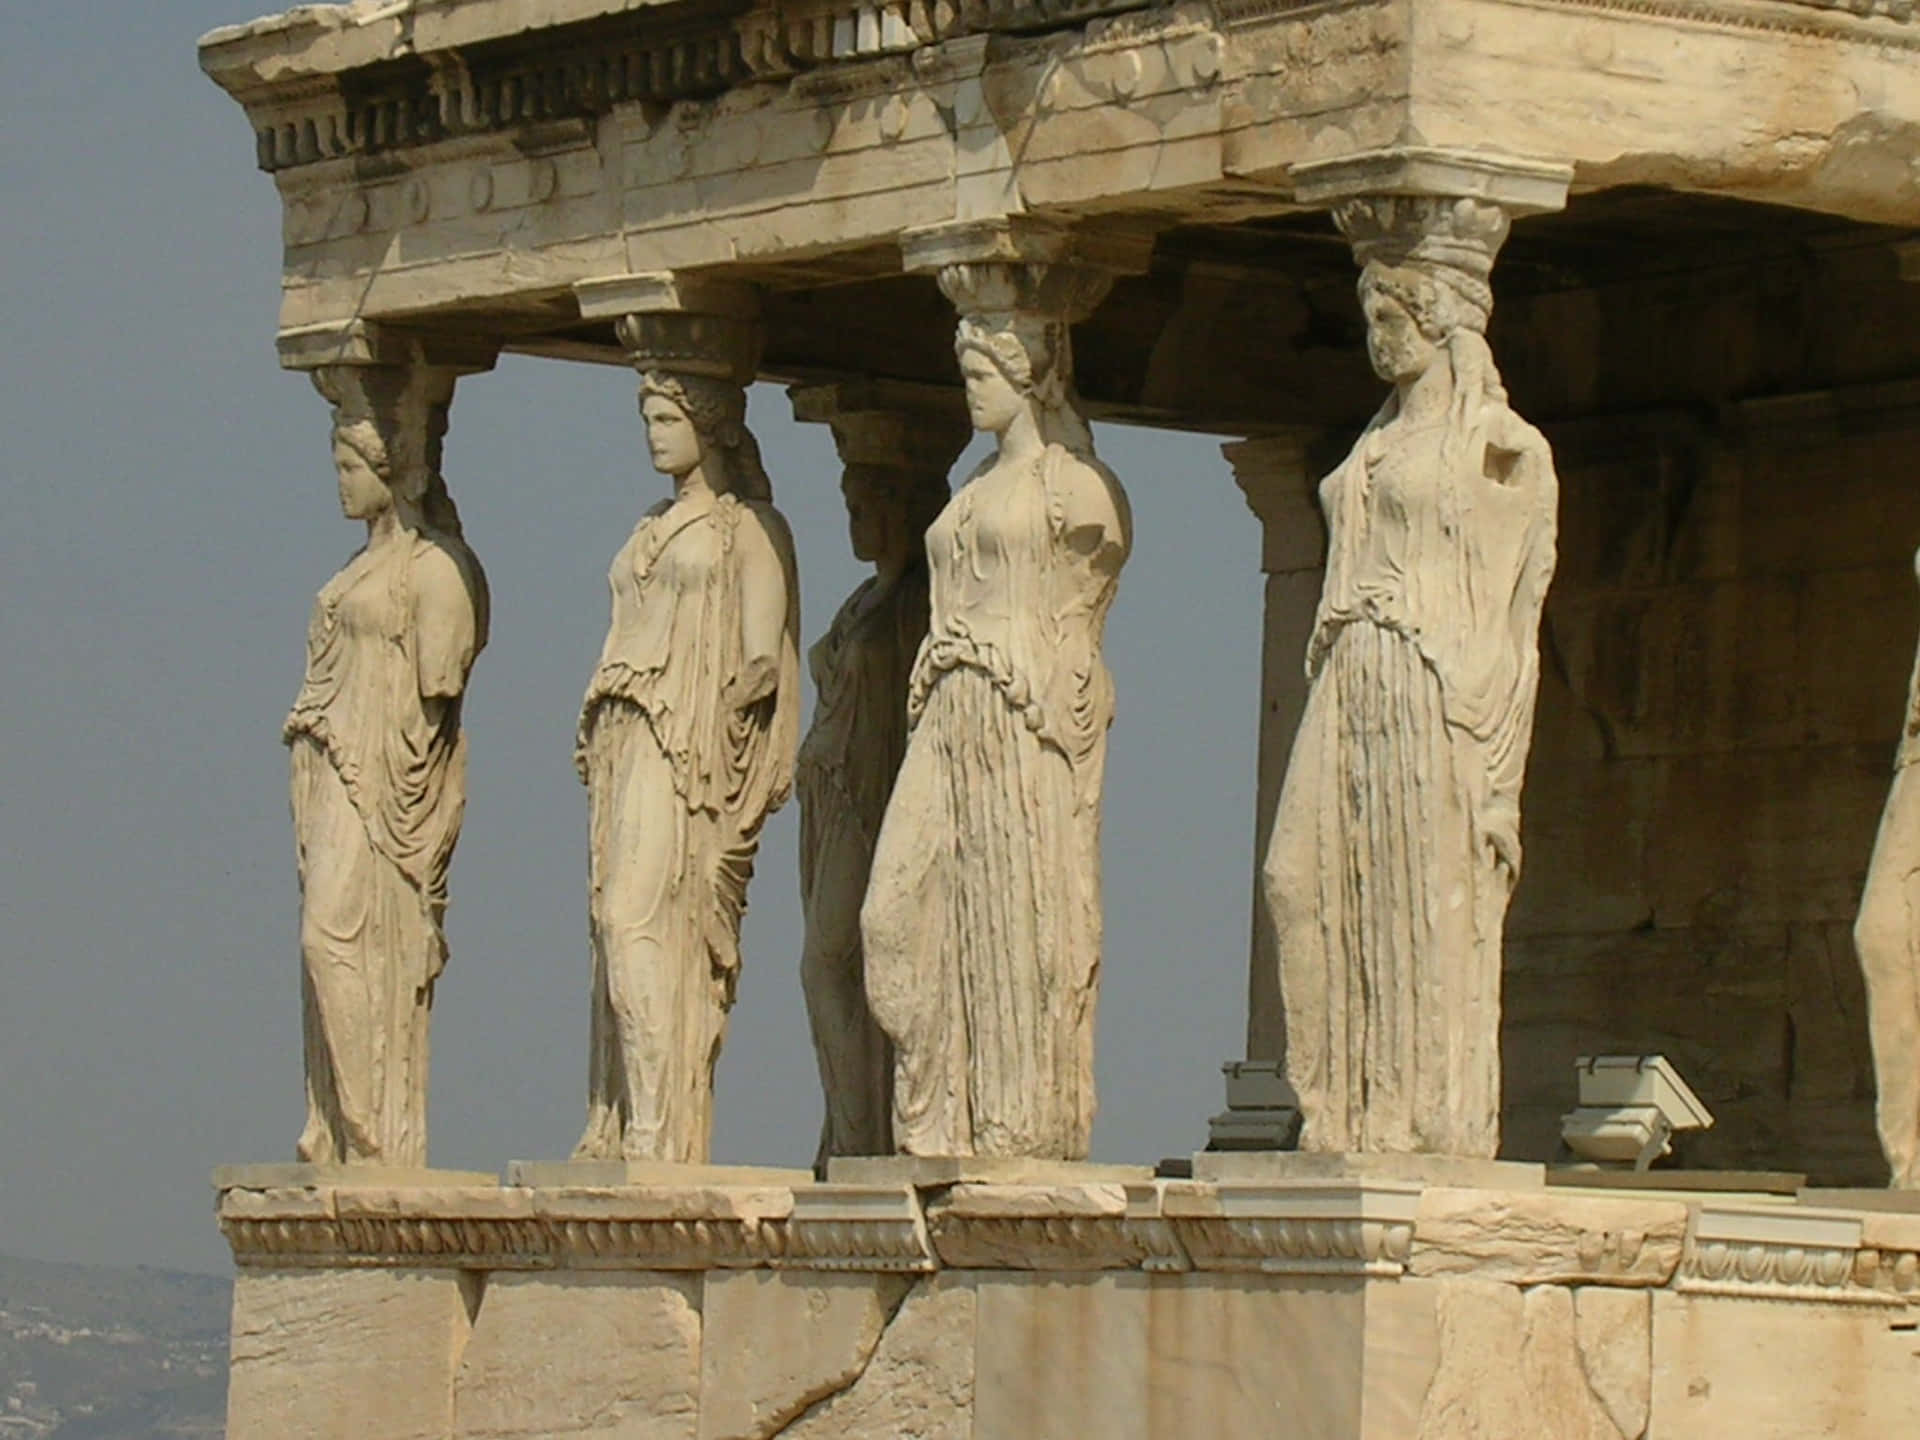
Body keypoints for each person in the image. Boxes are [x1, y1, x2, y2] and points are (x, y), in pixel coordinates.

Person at [1264, 236, 1558, 1157]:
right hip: (1350, 670)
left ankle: (1423, 1119)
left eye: (1392, 320)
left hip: (1433, 683)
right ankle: (1337, 1105)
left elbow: (1520, 603)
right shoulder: (1375, 441)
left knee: (1427, 896)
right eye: (1370, 323)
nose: (1379, 340)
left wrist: (1496, 754)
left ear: (1439, 320)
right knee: (1295, 878)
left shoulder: (1501, 448)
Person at [862, 306, 1131, 1159]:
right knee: (892, 916)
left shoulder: (1077, 489)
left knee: (1018, 917)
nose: (970, 390)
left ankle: (1013, 1128)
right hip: (946, 708)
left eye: (983, 375)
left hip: (1021, 717)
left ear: (1029, 377)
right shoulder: (972, 488)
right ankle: (937, 1114)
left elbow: (1087, 609)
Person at [574, 370, 800, 1163]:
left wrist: (742, 704)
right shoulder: (647, 525)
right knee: (612, 929)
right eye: (649, 416)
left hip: (688, 752)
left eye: (669, 416)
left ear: (710, 425)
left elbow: (762, 658)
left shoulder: (749, 530)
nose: (654, 432)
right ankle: (626, 1114)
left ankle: (659, 1127)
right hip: (624, 736)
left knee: (636, 919)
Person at [286, 377, 488, 1166]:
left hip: (382, 782)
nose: (339, 480)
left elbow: (441, 679)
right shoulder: (356, 566)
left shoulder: (438, 569)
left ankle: (374, 1127)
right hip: (330, 769)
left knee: (330, 938)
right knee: (329, 941)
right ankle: (334, 1123)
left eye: (349, 466)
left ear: (393, 468)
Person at [798, 459, 948, 1168]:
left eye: (868, 502)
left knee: (837, 957)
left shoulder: (922, 603)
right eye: (848, 501)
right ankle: (850, 1130)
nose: (854, 516)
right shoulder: (865, 597)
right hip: (833, 797)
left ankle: (868, 1135)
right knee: (835, 961)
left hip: (878, 800)